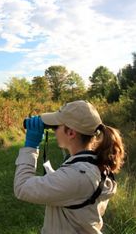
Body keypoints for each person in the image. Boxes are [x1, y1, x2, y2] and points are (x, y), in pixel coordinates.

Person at [14, 100, 125, 234]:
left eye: (56, 126)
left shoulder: (78, 175)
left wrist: (31, 146)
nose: (54, 130)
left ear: (71, 133)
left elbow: (22, 188)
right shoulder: (96, 164)